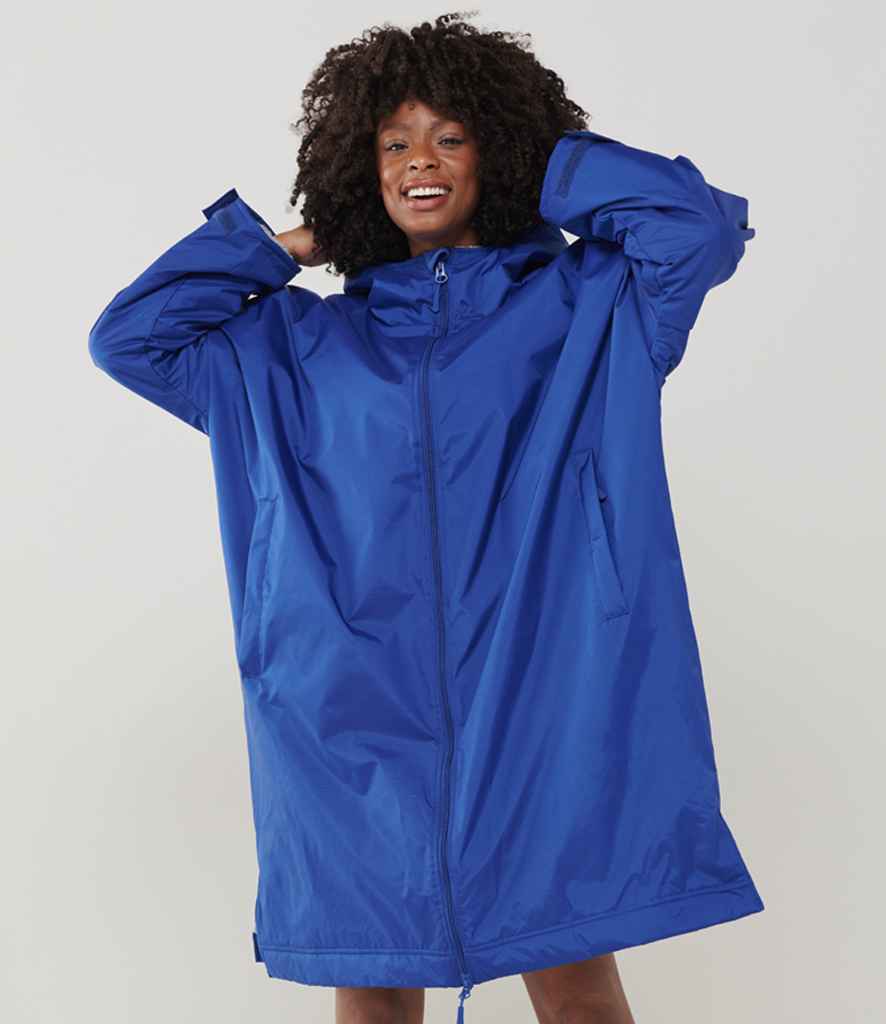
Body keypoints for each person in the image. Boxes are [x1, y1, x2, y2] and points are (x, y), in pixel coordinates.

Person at [88, 12, 763, 1024]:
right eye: (393, 143)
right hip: (347, 711)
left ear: (498, 149)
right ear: (359, 167)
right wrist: (294, 244)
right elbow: (132, 339)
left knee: (575, 983)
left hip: (548, 689)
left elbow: (694, 231)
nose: (421, 161)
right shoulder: (291, 346)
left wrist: (547, 169)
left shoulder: (594, 305)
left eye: (453, 136)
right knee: (372, 984)